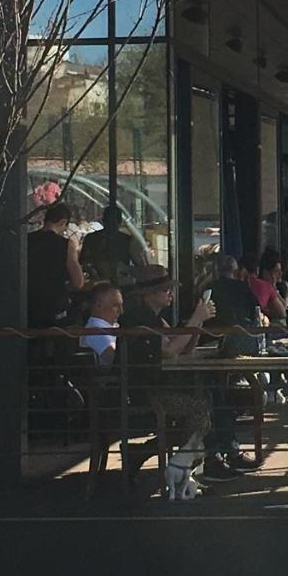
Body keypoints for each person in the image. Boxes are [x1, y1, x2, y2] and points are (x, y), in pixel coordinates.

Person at [118, 268, 216, 500]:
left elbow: (183, 347)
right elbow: (170, 351)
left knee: (206, 403)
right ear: (147, 293)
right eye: (164, 289)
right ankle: (181, 468)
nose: (170, 292)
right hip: (146, 391)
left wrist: (196, 325)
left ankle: (150, 454)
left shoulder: (155, 318)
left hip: (157, 387)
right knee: (199, 409)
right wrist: (195, 319)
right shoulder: (138, 319)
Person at [27, 202, 85, 328]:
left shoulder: (26, 241)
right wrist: (66, 287)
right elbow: (78, 283)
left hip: (28, 306)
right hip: (55, 308)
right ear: (63, 222)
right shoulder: (66, 245)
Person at [78, 204, 147, 285]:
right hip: (100, 284)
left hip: (111, 283)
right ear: (121, 222)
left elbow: (141, 268)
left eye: (113, 222)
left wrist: (124, 269)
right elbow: (83, 263)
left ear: (103, 220)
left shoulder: (91, 238)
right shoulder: (127, 240)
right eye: (109, 221)